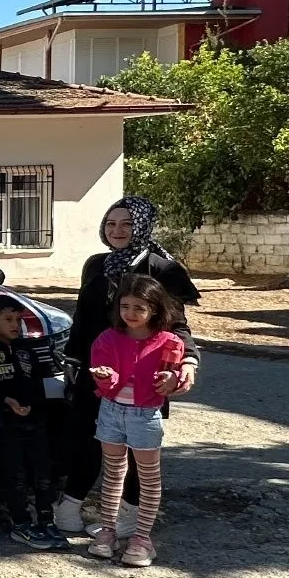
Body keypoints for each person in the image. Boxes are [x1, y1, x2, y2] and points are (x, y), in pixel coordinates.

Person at [57, 195, 199, 538]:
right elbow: (83, 319)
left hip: (144, 374)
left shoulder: (161, 268)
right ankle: (69, 508)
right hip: (98, 370)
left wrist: (189, 361)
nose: (117, 230)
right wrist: (73, 362)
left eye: (126, 223)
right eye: (110, 223)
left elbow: (177, 323)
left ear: (142, 225)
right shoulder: (96, 264)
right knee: (88, 438)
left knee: (137, 449)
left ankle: (131, 516)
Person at [85, 274, 186, 569]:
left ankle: (142, 538)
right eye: (125, 306)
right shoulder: (108, 338)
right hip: (110, 410)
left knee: (148, 476)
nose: (130, 314)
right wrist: (104, 376)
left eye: (139, 308)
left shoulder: (170, 342)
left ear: (154, 309)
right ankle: (108, 531)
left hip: (145, 415)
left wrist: (173, 378)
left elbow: (174, 377)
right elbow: (104, 377)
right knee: (114, 473)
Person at [0, 294, 67, 551]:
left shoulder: (27, 349)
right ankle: (20, 522)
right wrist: (7, 401)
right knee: (16, 477)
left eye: (18, 320)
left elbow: (43, 380)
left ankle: (46, 520)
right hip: (7, 426)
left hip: (36, 422)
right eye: (8, 319)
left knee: (43, 475)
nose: (15, 326)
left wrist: (37, 405)